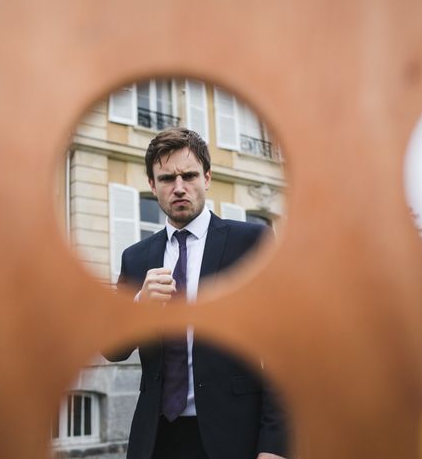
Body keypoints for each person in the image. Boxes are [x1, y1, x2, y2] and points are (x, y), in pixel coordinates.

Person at [104, 127, 288, 459]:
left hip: (233, 438)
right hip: (156, 440)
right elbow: (112, 350)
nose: (178, 188)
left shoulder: (251, 242)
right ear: (152, 185)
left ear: (207, 178)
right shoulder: (136, 257)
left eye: (188, 175)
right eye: (166, 179)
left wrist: (275, 447)